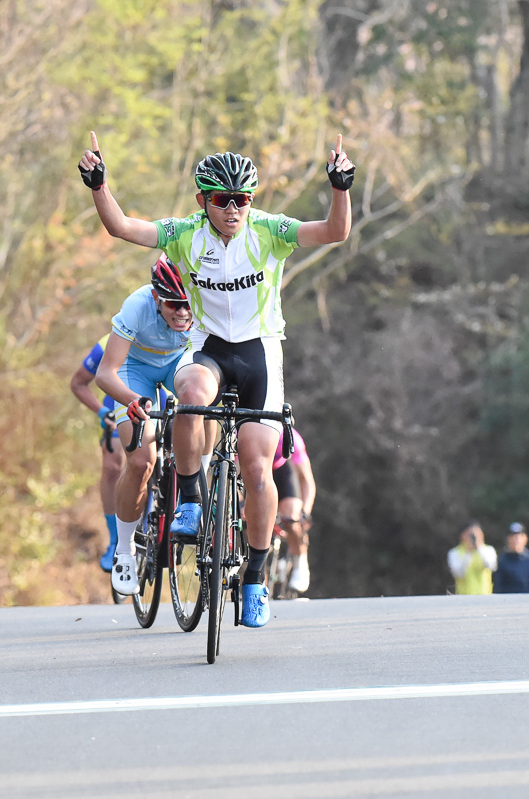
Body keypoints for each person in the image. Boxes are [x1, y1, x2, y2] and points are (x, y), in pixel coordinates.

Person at [78, 132, 354, 627]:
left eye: (242, 200)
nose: (234, 209)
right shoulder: (185, 234)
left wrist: (340, 188)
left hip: (261, 353)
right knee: (190, 396)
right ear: (203, 201)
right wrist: (99, 185)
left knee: (255, 465)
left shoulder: (270, 230)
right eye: (223, 200)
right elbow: (122, 227)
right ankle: (189, 498)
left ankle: (254, 575)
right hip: (208, 348)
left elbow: (334, 232)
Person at [94, 256, 193, 595]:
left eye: (188, 304)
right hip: (134, 371)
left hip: (179, 363)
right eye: (173, 304)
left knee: (199, 404)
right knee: (141, 462)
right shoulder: (137, 306)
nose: (182, 313)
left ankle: (200, 487)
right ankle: (124, 549)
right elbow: (104, 373)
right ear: (156, 298)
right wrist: (131, 401)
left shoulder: (208, 300)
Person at [70, 334, 126, 572]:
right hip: (116, 408)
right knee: (113, 466)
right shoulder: (109, 342)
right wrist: (102, 411)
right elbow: (78, 383)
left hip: (160, 399)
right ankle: (115, 540)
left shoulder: (178, 334)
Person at [272, 427, 316, 593]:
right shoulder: (242, 431)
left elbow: (307, 481)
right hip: (256, 471)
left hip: (283, 472)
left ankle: (300, 563)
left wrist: (305, 511)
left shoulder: (291, 438)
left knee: (291, 519)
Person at [447, 522, 498, 595]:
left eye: (477, 534)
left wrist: (479, 548)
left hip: (485, 596)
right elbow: (458, 573)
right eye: (470, 534)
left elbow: (491, 566)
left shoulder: (488, 550)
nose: (474, 537)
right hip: (463, 597)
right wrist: (468, 553)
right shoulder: (455, 552)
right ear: (463, 535)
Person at [493, 522, 529, 594]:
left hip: (528, 602)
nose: (516, 540)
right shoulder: (502, 561)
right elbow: (498, 587)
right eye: (513, 537)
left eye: (518, 537)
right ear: (508, 539)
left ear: (525, 539)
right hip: (507, 602)